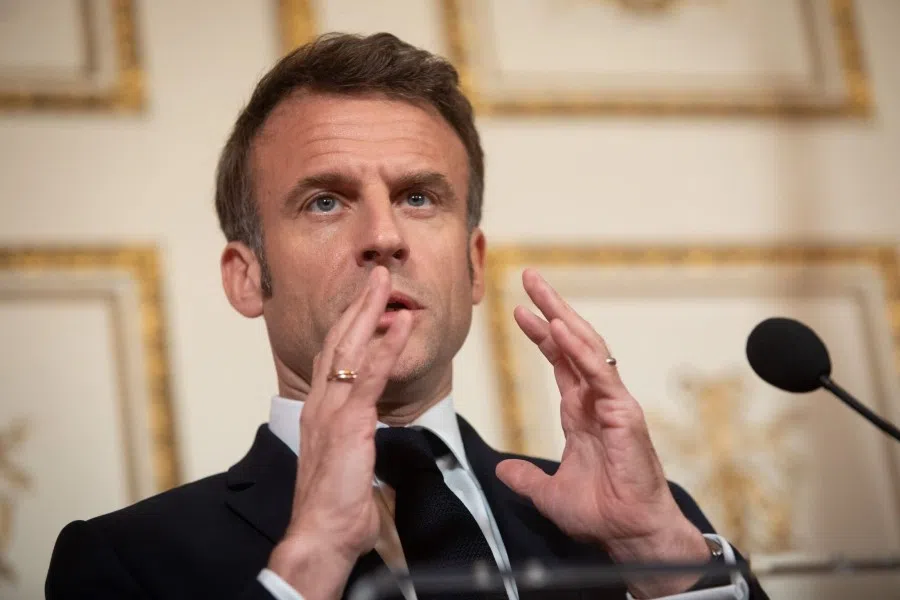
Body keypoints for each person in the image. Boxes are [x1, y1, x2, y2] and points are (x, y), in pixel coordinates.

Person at [45, 33, 768, 600]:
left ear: (474, 265)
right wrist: (313, 558)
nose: (385, 237)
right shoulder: (127, 560)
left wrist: (657, 556)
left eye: (420, 198)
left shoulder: (640, 523)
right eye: (325, 201)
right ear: (247, 277)